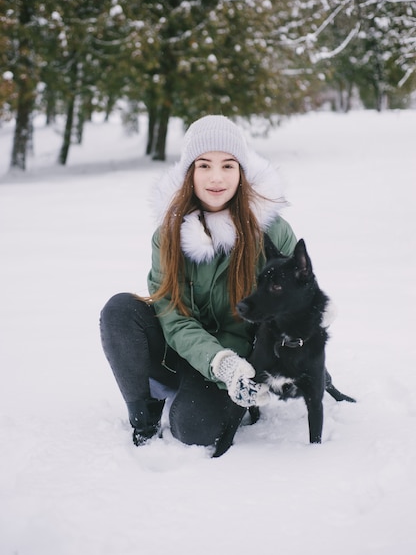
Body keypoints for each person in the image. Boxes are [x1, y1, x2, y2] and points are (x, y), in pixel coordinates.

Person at [100, 114, 297, 456]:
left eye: (228, 165)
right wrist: (215, 360)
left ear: (242, 172)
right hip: (183, 351)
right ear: (189, 172)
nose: (216, 178)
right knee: (119, 310)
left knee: (193, 430)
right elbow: (171, 315)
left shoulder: (271, 230)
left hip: (241, 362)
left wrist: (256, 366)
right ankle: (144, 413)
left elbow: (297, 300)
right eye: (204, 165)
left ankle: (237, 403)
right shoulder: (169, 234)